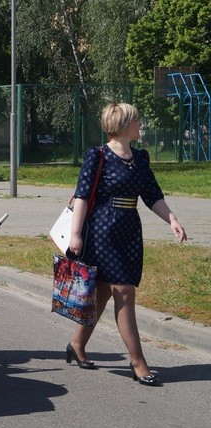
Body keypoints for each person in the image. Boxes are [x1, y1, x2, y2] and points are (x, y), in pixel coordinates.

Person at [67, 102, 187, 386]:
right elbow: (82, 196)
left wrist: (171, 219)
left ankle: (76, 345)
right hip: (102, 230)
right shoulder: (97, 156)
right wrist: (75, 234)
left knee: (103, 294)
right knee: (124, 290)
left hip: (129, 230)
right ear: (122, 126)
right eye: (136, 120)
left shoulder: (140, 158)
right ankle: (138, 362)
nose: (140, 124)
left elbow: (151, 194)